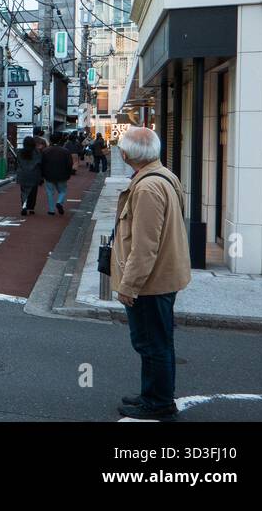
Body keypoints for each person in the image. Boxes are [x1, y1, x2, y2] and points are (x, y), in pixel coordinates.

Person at [112, 125, 191, 420]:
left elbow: (145, 247)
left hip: (151, 282)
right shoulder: (164, 175)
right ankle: (152, 394)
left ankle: (158, 402)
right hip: (164, 275)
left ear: (126, 154)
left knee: (152, 343)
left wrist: (128, 286)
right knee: (157, 341)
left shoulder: (146, 187)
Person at [41, 132, 76, 215]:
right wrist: (68, 173)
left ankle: (51, 210)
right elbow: (69, 163)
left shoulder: (45, 151)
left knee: (50, 192)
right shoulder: (65, 151)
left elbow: (42, 163)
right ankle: (59, 202)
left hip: (48, 174)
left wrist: (42, 174)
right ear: (61, 140)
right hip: (62, 174)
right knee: (62, 191)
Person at [14, 135, 42, 216]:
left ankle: (24, 206)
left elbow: (18, 163)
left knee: (24, 191)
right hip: (34, 174)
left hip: (22, 174)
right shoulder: (37, 152)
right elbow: (40, 163)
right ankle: (31, 209)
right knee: (33, 192)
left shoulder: (20, 152)